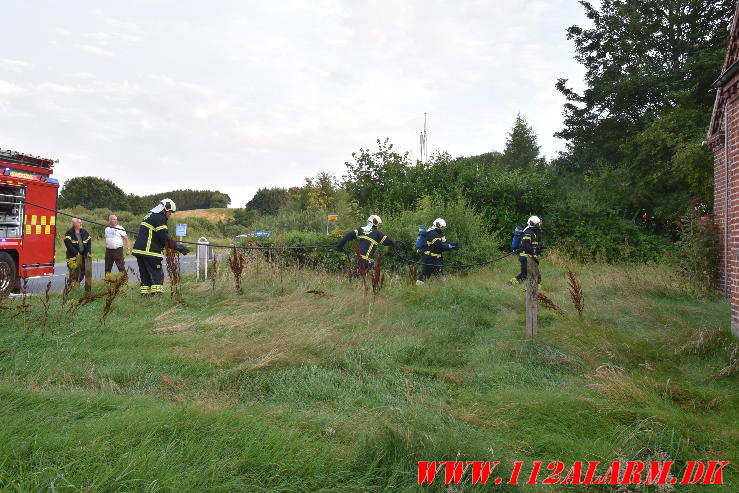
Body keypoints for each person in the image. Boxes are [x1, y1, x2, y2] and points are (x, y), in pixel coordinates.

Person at [132, 199, 189, 296]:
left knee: (145, 275)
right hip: (150, 251)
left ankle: (145, 296)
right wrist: (178, 247)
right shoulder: (159, 218)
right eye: (170, 212)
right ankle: (157, 296)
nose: (170, 214)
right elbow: (163, 237)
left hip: (139, 251)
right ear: (165, 209)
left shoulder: (149, 215)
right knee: (157, 274)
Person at [416, 218, 458, 284]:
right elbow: (439, 245)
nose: (443, 229)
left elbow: (440, 245)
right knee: (424, 276)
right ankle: (418, 290)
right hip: (429, 259)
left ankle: (443, 290)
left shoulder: (436, 233)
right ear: (438, 226)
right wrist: (449, 246)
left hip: (435, 259)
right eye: (442, 227)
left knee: (439, 276)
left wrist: (449, 245)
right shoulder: (432, 234)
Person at [509, 215, 543, 285]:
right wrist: (533, 253)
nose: (539, 225)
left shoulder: (532, 232)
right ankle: (510, 284)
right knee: (525, 275)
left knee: (536, 277)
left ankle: (537, 293)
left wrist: (538, 248)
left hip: (529, 257)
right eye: (538, 224)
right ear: (534, 224)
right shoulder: (529, 232)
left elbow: (530, 245)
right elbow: (525, 244)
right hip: (526, 257)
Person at [63, 217, 92, 287]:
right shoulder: (69, 233)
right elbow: (68, 245)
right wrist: (76, 253)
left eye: (81, 222)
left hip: (83, 257)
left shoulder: (84, 232)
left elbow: (89, 242)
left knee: (81, 274)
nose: (81, 223)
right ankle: (70, 289)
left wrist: (88, 251)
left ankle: (76, 287)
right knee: (73, 275)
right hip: (73, 258)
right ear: (74, 224)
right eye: (79, 222)